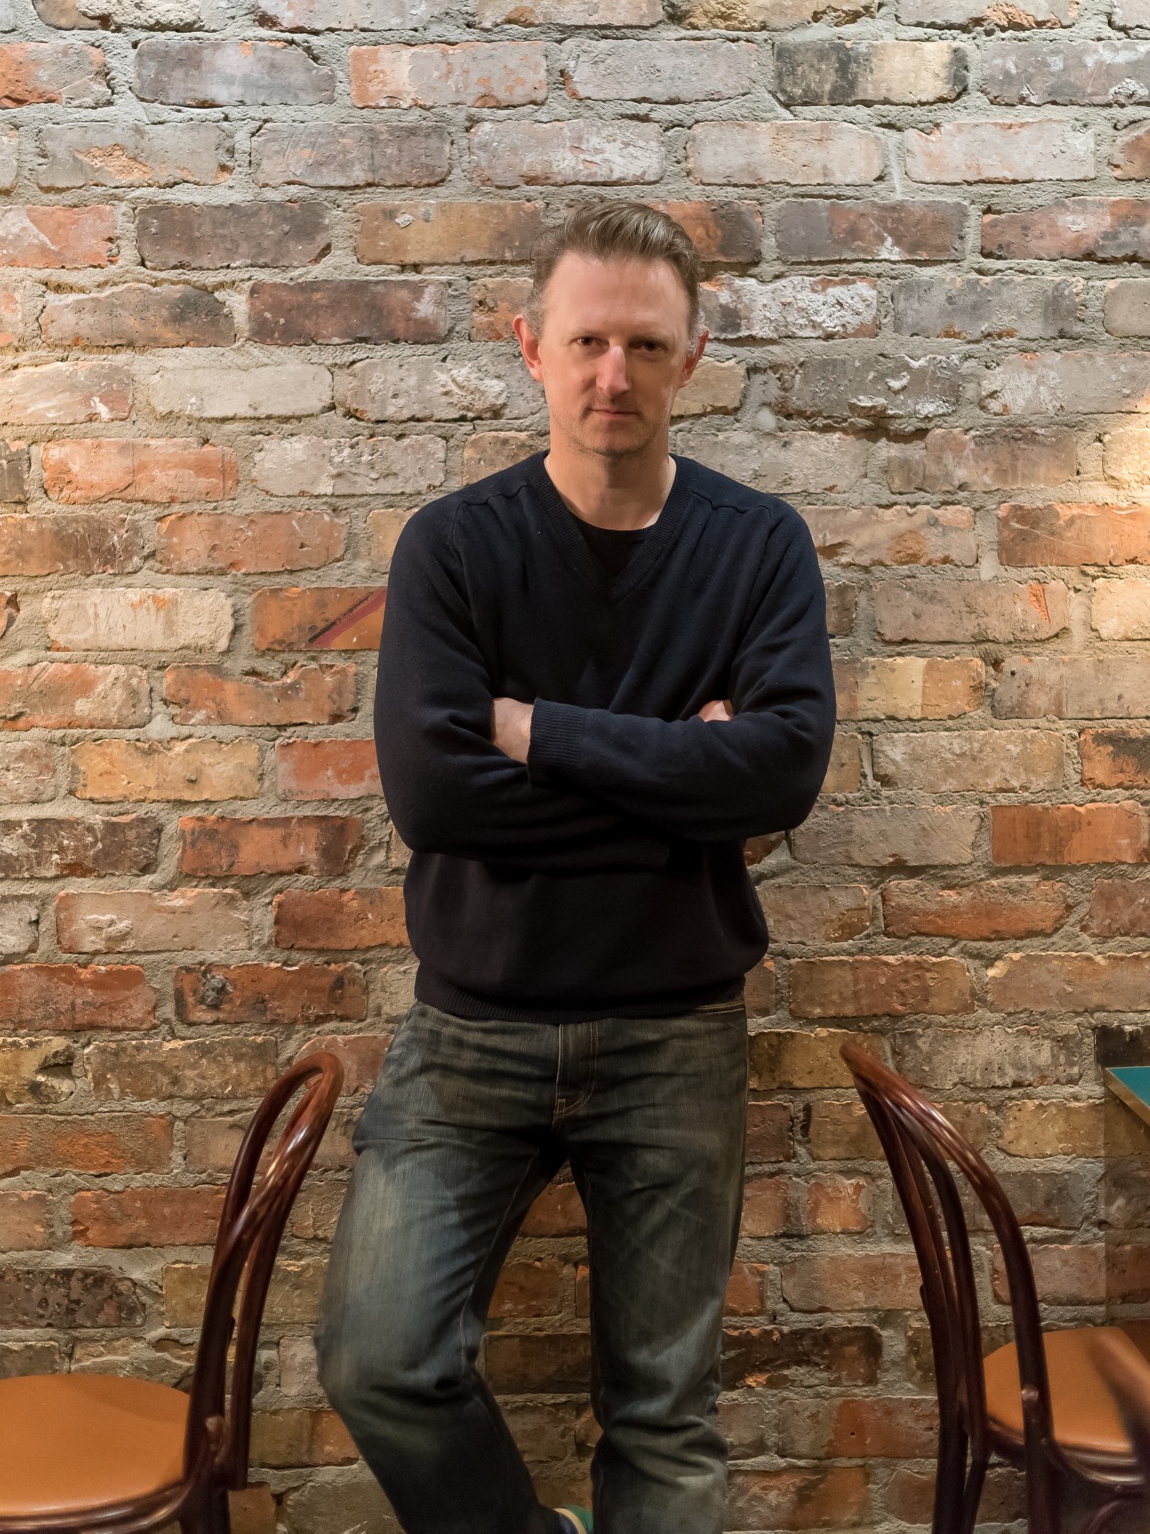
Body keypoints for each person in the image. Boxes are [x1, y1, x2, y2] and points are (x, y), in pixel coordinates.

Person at [316, 202, 836, 1534]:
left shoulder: (756, 543)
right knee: (380, 1359)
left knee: (664, 1409)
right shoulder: (456, 544)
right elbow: (435, 796)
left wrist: (537, 731)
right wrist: (683, 786)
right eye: (587, 340)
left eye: (646, 345)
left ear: (695, 353)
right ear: (530, 348)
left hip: (675, 1028)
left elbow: (781, 777)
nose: (615, 374)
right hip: (471, 1028)